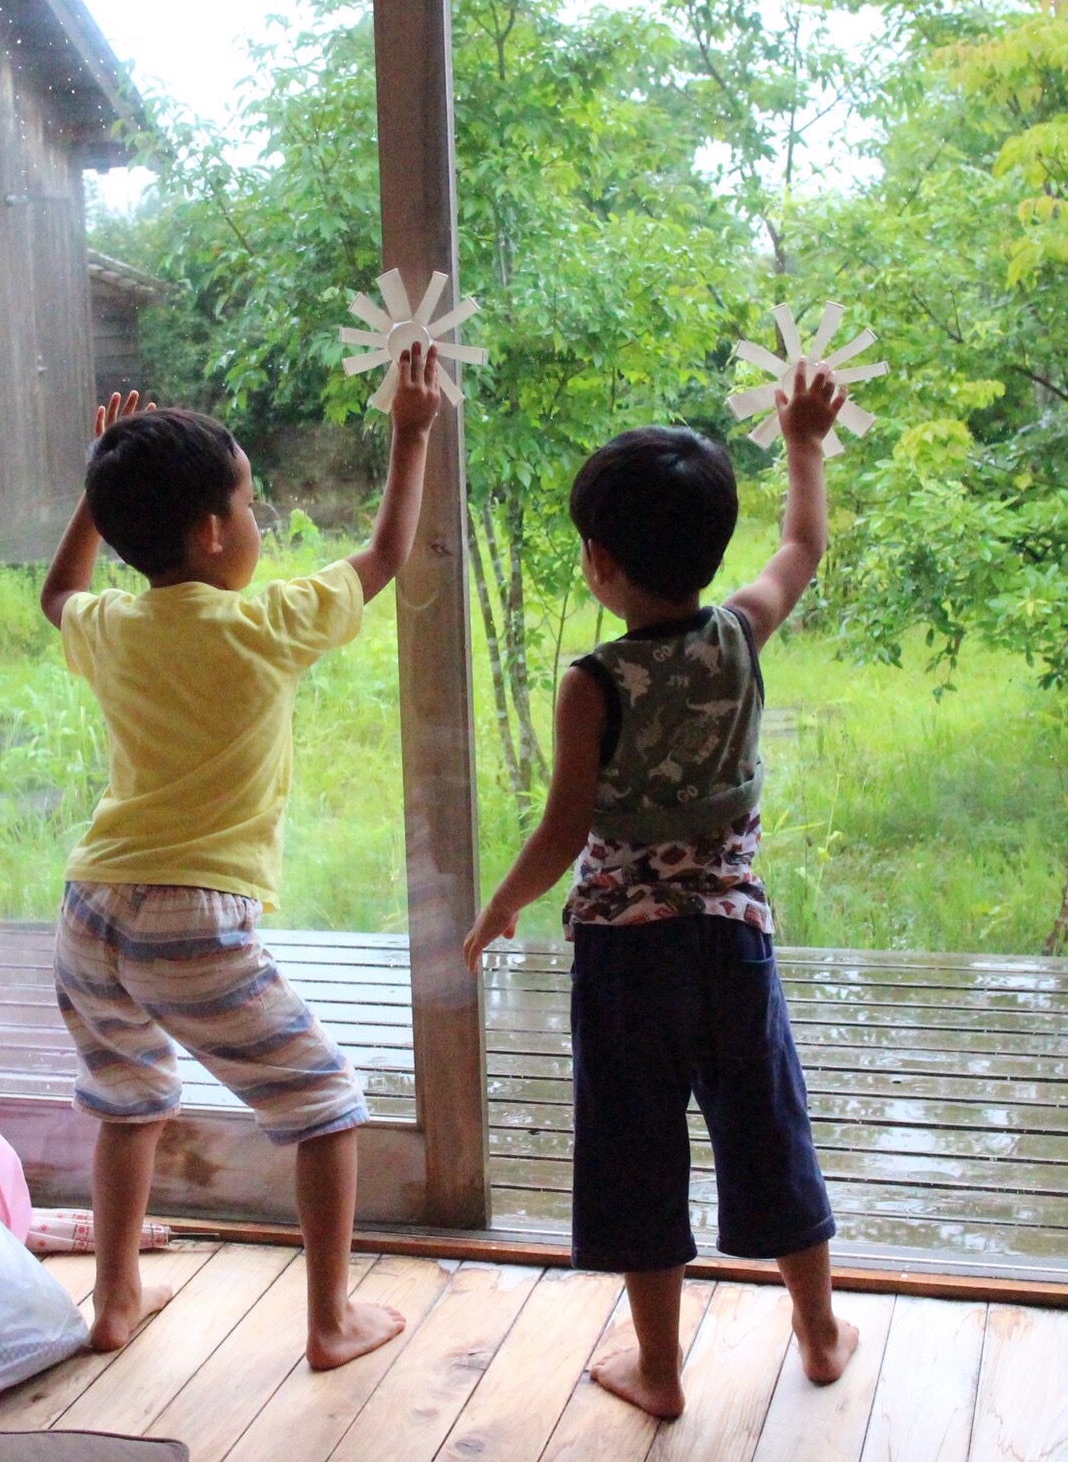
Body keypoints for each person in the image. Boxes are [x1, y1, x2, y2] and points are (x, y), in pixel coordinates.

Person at [460, 363, 858, 1421]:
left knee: (634, 1155)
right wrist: (804, 443)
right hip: (731, 942)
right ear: (711, 549)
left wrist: (501, 904)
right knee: (769, 1132)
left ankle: (661, 1371)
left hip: (625, 959)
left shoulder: (592, 682)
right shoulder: (739, 633)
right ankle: (821, 1332)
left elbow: (564, 828)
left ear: (600, 562)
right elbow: (804, 544)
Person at [38, 342, 443, 1369]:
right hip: (190, 918)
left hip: (90, 911)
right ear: (215, 530)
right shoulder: (266, 622)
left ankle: (115, 1299)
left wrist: (97, 490)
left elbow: (57, 594)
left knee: (128, 1099)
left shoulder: (116, 626)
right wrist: (410, 434)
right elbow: (385, 556)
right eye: (252, 504)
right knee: (326, 1105)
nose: (258, 522)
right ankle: (330, 1320)